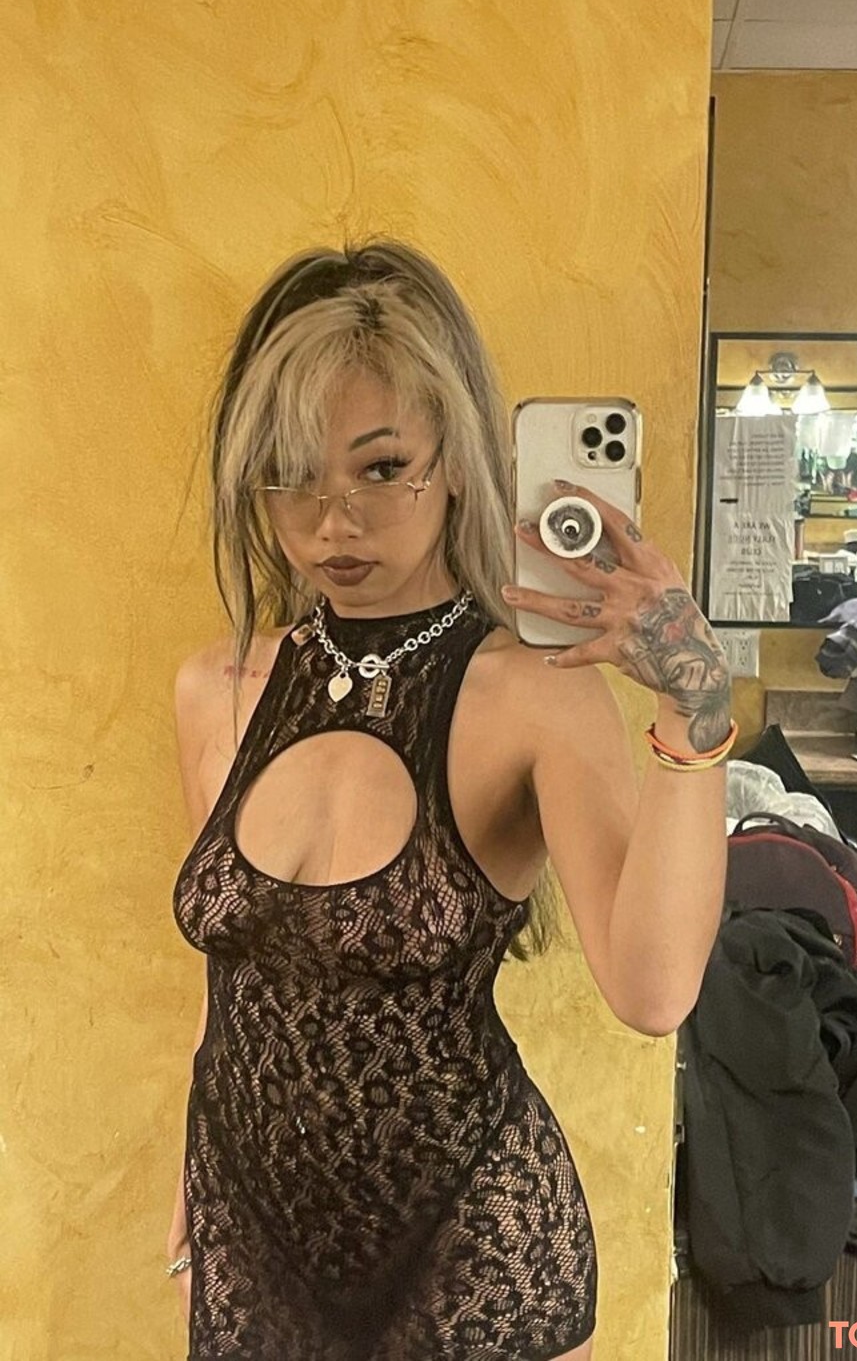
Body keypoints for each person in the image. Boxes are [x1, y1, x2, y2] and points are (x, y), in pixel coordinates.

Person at [165, 239, 734, 1360]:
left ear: (459, 460)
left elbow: (653, 987)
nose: (334, 520)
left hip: (470, 1247)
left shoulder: (534, 695)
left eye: (382, 468)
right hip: (257, 1240)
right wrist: (196, 1154)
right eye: (291, 472)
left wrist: (697, 703)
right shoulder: (216, 689)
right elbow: (235, 967)